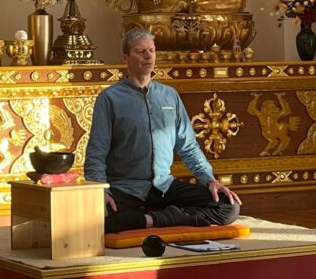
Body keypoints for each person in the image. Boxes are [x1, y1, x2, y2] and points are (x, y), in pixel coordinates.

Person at [85, 28, 241, 233]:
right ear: (126, 58)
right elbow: (96, 152)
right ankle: (169, 217)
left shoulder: (169, 95)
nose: (148, 55)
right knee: (94, 217)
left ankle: (150, 219)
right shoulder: (109, 98)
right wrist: (99, 191)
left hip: (164, 186)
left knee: (228, 207)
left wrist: (209, 180)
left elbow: (188, 147)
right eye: (141, 51)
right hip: (126, 188)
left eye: (151, 50)